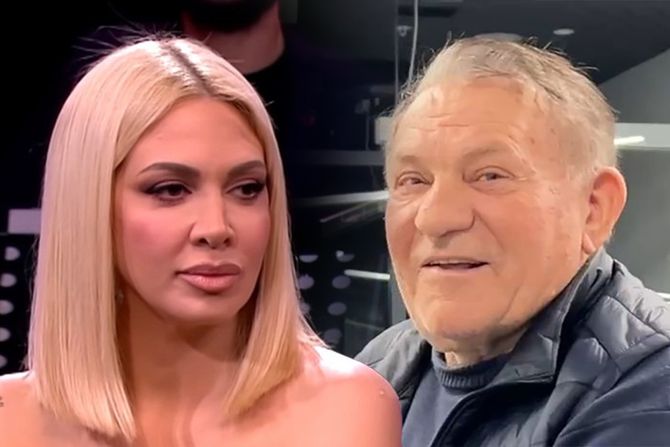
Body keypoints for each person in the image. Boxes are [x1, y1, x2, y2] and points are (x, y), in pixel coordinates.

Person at [0, 37, 401, 446]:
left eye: (246, 188)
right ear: (89, 205)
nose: (216, 227)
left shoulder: (346, 410)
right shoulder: (9, 420)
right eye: (170, 190)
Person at [356, 37, 670, 446]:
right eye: (413, 180)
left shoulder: (650, 386)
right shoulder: (381, 365)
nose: (435, 218)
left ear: (593, 208)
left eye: (490, 175)